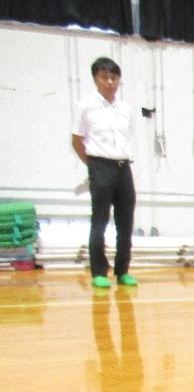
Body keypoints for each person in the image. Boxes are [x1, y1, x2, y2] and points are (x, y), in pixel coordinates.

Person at [72, 56, 137, 289]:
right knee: (99, 220)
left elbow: (127, 137)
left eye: (114, 77)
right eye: (104, 77)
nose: (110, 82)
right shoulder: (86, 105)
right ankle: (99, 271)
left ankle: (123, 271)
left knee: (126, 222)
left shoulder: (124, 108)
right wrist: (93, 165)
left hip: (123, 166)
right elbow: (77, 140)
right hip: (100, 166)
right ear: (95, 79)